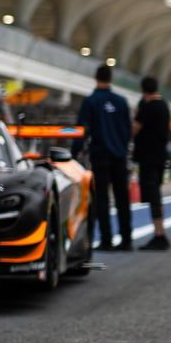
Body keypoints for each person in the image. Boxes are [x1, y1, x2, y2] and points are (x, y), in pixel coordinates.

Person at [72, 65, 132, 251]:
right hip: (119, 156)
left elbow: (81, 130)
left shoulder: (91, 101)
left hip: (100, 155)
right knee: (122, 197)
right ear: (111, 78)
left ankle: (106, 240)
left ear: (95, 77)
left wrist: (74, 153)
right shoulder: (121, 101)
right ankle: (127, 240)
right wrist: (122, 147)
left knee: (102, 198)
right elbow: (128, 129)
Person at [133, 75, 171, 250]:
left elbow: (135, 128)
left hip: (148, 157)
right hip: (160, 156)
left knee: (153, 195)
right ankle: (160, 233)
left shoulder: (147, 107)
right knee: (157, 194)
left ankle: (159, 234)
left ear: (143, 90)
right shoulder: (164, 105)